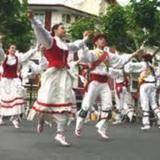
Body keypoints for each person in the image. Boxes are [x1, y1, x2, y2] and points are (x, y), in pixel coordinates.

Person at [27, 11, 90, 146]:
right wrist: (33, 20)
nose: (64, 30)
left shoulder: (66, 45)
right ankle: (42, 119)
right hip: (53, 74)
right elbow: (41, 31)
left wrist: (85, 39)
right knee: (47, 99)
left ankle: (60, 133)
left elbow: (77, 45)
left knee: (65, 100)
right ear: (55, 30)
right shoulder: (49, 42)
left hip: (64, 75)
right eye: (62, 28)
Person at [75, 33, 143, 139]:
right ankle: (79, 125)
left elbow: (120, 60)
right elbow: (84, 56)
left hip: (104, 83)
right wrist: (84, 41)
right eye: (100, 39)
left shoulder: (108, 55)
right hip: (94, 82)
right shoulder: (92, 53)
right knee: (87, 106)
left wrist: (134, 54)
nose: (103, 41)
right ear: (96, 42)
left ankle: (102, 128)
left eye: (104, 39)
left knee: (108, 106)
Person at [0, 44, 36, 128]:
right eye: (12, 48)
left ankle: (15, 118)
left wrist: (34, 48)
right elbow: (0, 52)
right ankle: (0, 117)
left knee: (18, 97)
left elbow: (27, 55)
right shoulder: (4, 58)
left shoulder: (18, 58)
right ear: (8, 50)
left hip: (14, 80)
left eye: (14, 49)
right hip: (6, 81)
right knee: (3, 98)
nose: (13, 50)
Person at [125, 53, 160, 130]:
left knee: (145, 104)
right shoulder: (153, 67)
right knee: (154, 104)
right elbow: (158, 76)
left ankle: (146, 124)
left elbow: (129, 67)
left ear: (144, 59)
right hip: (153, 85)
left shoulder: (143, 64)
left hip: (144, 85)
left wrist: (127, 62)